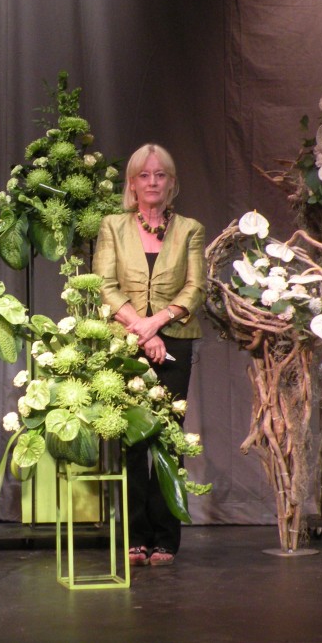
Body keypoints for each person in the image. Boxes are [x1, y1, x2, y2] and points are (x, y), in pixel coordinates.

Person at [93, 142, 205, 567]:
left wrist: (155, 324)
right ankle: (134, 536)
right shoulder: (113, 226)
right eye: (144, 175)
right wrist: (139, 330)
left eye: (161, 175)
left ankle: (165, 538)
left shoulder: (190, 228)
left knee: (166, 437)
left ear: (171, 183)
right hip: (124, 340)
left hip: (173, 339)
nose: (152, 182)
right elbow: (105, 285)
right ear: (132, 183)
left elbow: (195, 288)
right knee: (130, 439)